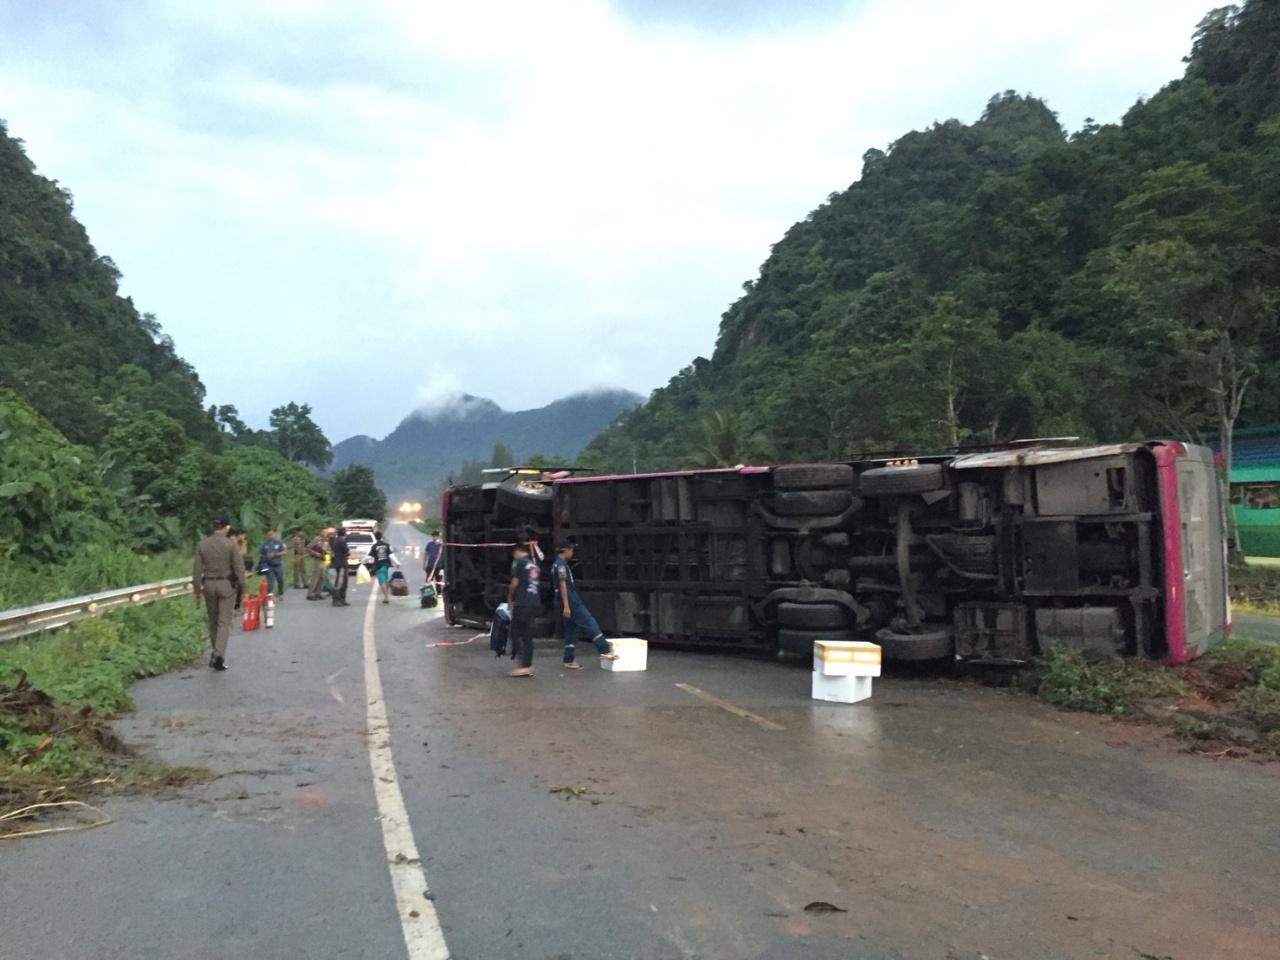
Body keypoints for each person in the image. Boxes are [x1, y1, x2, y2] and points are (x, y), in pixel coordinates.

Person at [552, 542, 618, 670]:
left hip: (562, 600)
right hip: (571, 600)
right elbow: (562, 584)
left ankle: (568, 659)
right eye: (571, 550)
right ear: (566, 550)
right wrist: (567, 605)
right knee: (589, 621)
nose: (572, 553)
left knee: (571, 629)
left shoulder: (556, 564)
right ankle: (604, 650)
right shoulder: (561, 565)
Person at [193, 516, 245, 671]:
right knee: (224, 623)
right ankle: (218, 655)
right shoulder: (231, 544)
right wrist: (244, 588)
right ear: (227, 527)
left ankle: (215, 653)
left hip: (209, 585)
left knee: (213, 621)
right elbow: (239, 569)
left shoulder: (202, 544)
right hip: (226, 585)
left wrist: (197, 590)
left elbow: (197, 570)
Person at [505, 541, 541, 677]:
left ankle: (523, 665)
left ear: (518, 551)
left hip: (523, 602)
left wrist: (509, 596)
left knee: (514, 633)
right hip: (534, 602)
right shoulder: (534, 564)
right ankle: (527, 665)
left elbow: (514, 583)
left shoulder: (520, 563)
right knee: (527, 635)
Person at [368, 530, 399, 604]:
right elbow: (391, 555)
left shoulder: (374, 546)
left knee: (382, 582)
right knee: (385, 580)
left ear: (375, 537)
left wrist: (362, 561)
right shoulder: (386, 545)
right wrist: (397, 563)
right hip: (386, 566)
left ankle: (386, 597)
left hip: (379, 566)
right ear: (381, 536)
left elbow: (369, 556)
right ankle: (386, 596)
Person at [259, 529, 287, 599]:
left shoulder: (279, 543)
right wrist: (265, 557)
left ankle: (280, 593)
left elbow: (285, 552)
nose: (270, 536)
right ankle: (270, 596)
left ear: (274, 534)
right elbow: (261, 553)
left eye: (271, 534)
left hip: (278, 565)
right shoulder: (264, 544)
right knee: (270, 582)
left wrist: (275, 554)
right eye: (268, 535)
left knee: (281, 580)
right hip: (269, 566)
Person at [329, 527, 351, 607]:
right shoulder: (341, 541)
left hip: (336, 563)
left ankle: (340, 600)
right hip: (341, 564)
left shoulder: (335, 540)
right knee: (341, 583)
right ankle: (338, 600)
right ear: (344, 534)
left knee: (339, 583)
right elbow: (347, 552)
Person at [306, 529, 329, 600]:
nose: (325, 534)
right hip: (317, 560)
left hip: (323, 560)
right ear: (321, 532)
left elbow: (328, 550)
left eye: (326, 532)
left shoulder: (326, 540)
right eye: (324, 532)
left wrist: (328, 559)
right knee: (315, 577)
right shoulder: (316, 539)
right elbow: (308, 548)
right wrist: (315, 553)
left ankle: (318, 593)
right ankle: (309, 594)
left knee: (321, 577)